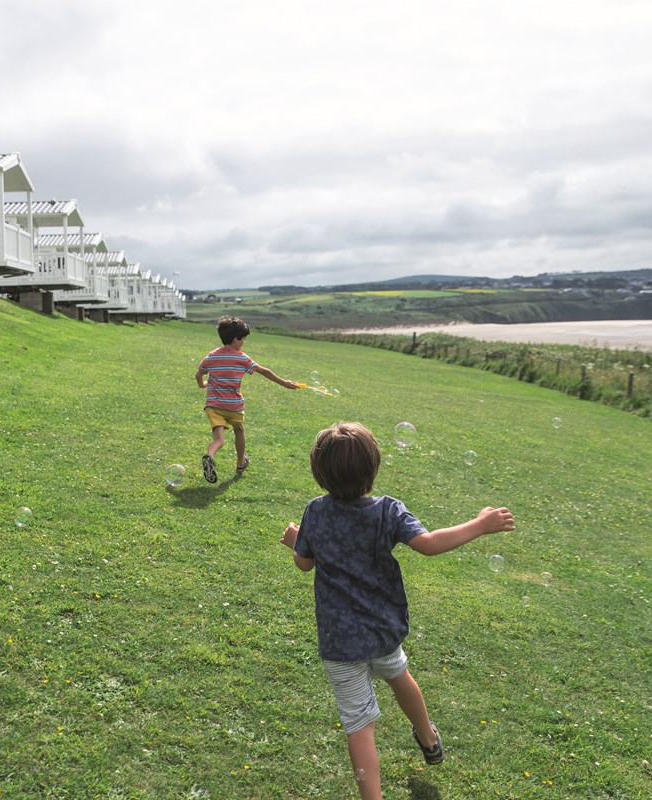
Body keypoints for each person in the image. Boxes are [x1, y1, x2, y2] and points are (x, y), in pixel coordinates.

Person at [280, 422, 515, 800]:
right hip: (383, 629)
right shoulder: (388, 511)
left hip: (340, 642)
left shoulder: (315, 512)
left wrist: (296, 542)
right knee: (399, 676)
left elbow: (304, 564)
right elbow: (428, 544)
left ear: (319, 473)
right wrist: (480, 524)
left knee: (359, 725)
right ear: (373, 469)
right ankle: (428, 738)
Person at [195, 316, 298, 483]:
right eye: (243, 339)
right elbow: (264, 371)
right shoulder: (242, 358)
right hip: (233, 406)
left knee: (218, 439)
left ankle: (210, 455)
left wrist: (203, 384)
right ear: (236, 339)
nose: (244, 342)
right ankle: (240, 463)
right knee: (239, 430)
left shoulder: (211, 357)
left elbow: (198, 374)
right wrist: (284, 383)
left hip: (213, 405)